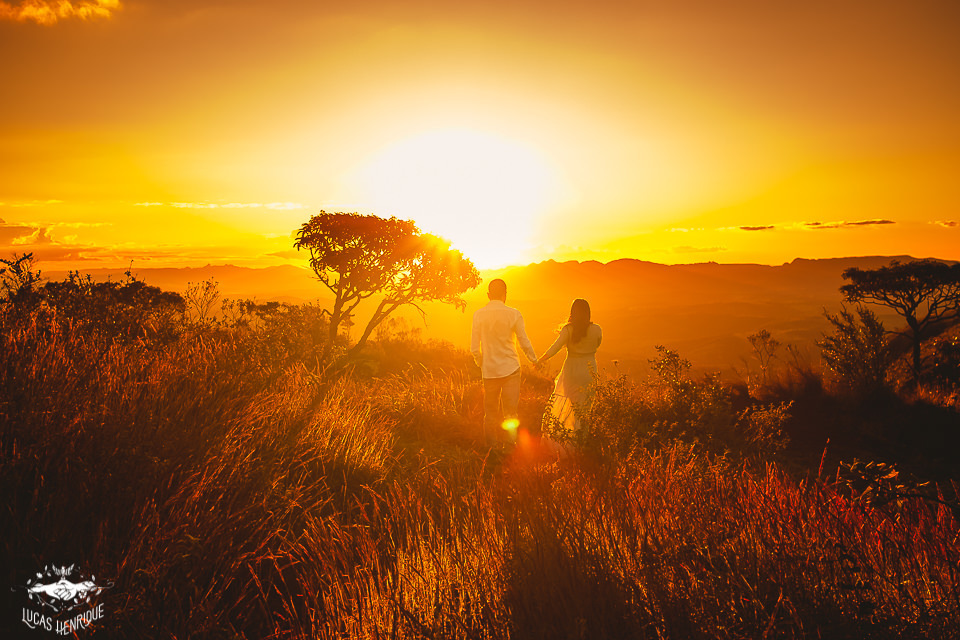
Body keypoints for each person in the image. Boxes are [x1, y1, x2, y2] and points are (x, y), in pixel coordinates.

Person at [471, 279, 538, 445]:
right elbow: (523, 341)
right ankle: (510, 446)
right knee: (510, 413)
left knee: (490, 412)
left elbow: (474, 348)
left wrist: (481, 363)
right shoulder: (514, 314)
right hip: (511, 369)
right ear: (505, 294)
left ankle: (491, 448)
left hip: (489, 371)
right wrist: (534, 360)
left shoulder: (478, 315)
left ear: (488, 295)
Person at [538, 298, 602, 435]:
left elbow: (555, 347)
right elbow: (597, 344)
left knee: (572, 406)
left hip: (571, 370)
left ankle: (569, 437)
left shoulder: (568, 330)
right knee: (585, 408)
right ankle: (582, 438)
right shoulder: (596, 329)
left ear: (572, 312)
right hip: (589, 369)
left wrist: (540, 360)